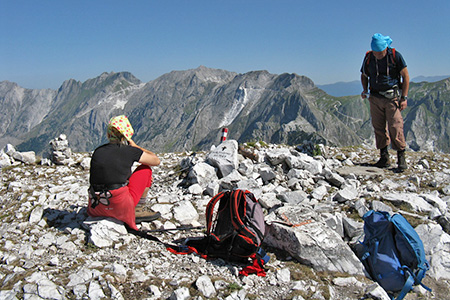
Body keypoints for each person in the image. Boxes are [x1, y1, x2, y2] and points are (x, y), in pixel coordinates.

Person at [88, 115, 161, 230]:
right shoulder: (129, 151)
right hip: (120, 205)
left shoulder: (98, 151)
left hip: (96, 206)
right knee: (145, 169)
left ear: (108, 134)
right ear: (126, 136)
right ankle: (138, 209)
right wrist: (135, 146)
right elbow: (155, 160)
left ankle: (115, 209)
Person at [361, 33, 410, 171]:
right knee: (379, 127)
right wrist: (365, 90)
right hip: (375, 97)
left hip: (391, 98)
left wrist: (404, 98)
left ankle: (401, 157)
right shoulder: (369, 57)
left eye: (379, 52)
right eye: (375, 52)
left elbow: (405, 76)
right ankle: (384, 157)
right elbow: (364, 75)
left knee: (395, 127)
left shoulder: (395, 56)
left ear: (385, 48)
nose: (377, 55)